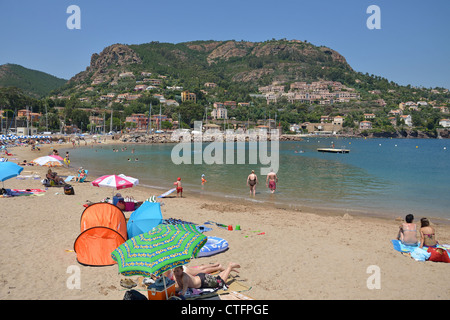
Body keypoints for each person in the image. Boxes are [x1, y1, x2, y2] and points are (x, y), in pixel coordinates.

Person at [173, 262, 240, 296]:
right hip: (201, 278)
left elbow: (184, 289)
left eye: (178, 271)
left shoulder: (184, 277)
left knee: (220, 283)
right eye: (174, 271)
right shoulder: (177, 276)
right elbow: (180, 287)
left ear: (182, 270)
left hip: (203, 280)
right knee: (216, 279)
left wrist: (179, 294)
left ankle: (230, 267)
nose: (176, 273)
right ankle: (227, 270)